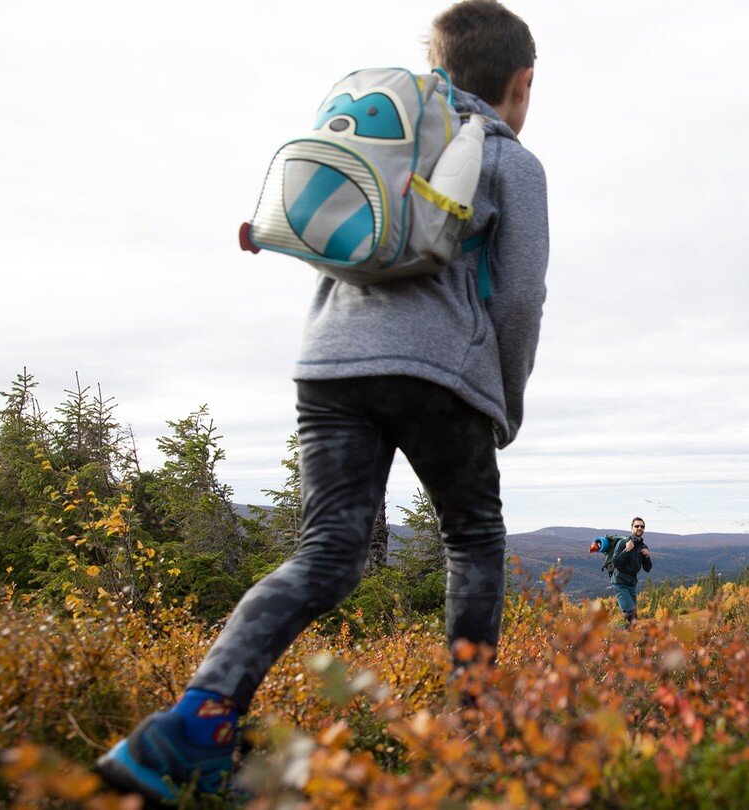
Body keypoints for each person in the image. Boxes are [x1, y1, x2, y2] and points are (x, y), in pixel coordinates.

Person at [95, 1, 548, 802]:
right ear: (522, 81)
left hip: (329, 367)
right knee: (473, 538)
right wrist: (504, 400)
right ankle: (472, 738)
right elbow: (517, 299)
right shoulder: (512, 163)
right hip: (441, 374)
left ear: (436, 69)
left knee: (324, 553)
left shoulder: (391, 138)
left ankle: (191, 726)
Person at [592, 517, 653, 627]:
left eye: (642, 526)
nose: (639, 528)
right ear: (631, 528)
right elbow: (615, 563)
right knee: (631, 615)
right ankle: (617, 635)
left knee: (632, 619)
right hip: (619, 583)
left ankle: (620, 637)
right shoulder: (623, 543)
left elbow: (647, 568)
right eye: (637, 526)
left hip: (632, 584)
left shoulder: (643, 547)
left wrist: (647, 556)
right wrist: (627, 550)